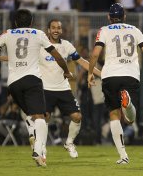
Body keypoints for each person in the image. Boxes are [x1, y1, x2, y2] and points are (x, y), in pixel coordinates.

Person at [0, 9, 72, 167]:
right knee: (40, 117)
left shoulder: (8, 33)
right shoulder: (38, 33)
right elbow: (57, 55)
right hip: (32, 80)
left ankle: (33, 135)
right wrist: (65, 70)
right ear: (31, 22)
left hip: (13, 84)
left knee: (31, 115)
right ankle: (38, 150)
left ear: (15, 22)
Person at [87, 3, 143, 164]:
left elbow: (95, 53)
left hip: (110, 75)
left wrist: (90, 73)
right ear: (125, 16)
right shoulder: (135, 30)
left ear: (109, 17)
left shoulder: (104, 30)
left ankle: (123, 156)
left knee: (113, 114)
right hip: (130, 74)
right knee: (130, 119)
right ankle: (128, 103)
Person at [26, 19, 101, 159]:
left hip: (63, 89)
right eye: (53, 27)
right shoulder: (40, 46)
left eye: (58, 28)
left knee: (77, 117)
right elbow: (24, 59)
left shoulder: (66, 45)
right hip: (45, 89)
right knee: (44, 119)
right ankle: (41, 146)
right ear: (48, 30)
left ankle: (69, 143)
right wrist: (1, 58)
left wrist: (101, 74)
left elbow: (82, 61)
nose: (56, 30)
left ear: (62, 30)